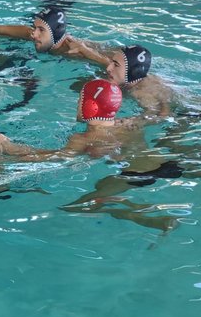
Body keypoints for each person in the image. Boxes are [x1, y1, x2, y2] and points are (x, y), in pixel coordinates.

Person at [60, 79, 180, 231]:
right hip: (168, 165)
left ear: (90, 106)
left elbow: (59, 157)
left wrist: (21, 152)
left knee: (76, 207)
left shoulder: (87, 136)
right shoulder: (130, 122)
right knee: (102, 186)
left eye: (80, 100)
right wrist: (163, 99)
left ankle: (144, 218)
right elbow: (163, 115)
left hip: (138, 175)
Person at [0, 5, 110, 64]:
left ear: (55, 33)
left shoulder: (72, 50)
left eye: (41, 30)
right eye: (34, 27)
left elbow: (110, 66)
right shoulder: (43, 38)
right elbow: (23, 31)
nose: (33, 34)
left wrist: (87, 52)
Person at [99, 44, 173, 117]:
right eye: (112, 62)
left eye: (116, 65)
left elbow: (159, 114)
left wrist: (130, 122)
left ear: (133, 71)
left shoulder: (140, 92)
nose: (108, 68)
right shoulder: (132, 78)